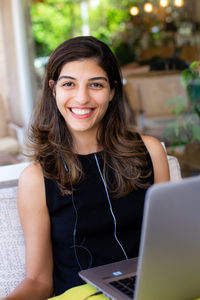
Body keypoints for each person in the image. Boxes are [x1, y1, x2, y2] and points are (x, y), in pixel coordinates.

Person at [1, 36, 169, 300]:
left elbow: (169, 246)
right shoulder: (36, 178)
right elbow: (38, 281)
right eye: (69, 84)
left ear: (113, 91)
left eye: (96, 85)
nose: (82, 98)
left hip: (155, 288)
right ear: (53, 89)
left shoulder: (150, 151)